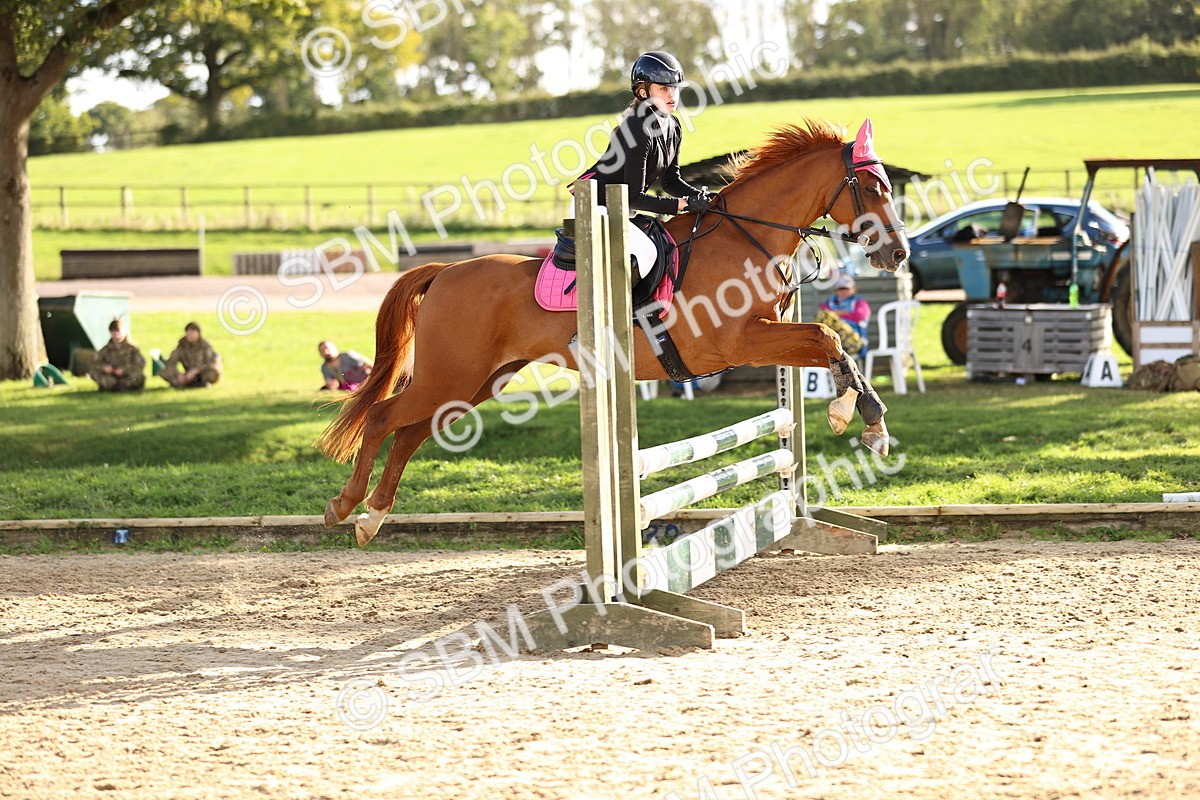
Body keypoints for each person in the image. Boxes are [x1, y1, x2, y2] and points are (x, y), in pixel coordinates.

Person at [574, 51, 712, 281]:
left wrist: (700, 197)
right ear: (643, 91)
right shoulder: (637, 127)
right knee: (647, 254)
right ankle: (632, 316)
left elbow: (670, 181)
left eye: (674, 88)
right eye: (663, 89)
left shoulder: (673, 125)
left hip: (620, 206)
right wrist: (682, 205)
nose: (672, 95)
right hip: (594, 205)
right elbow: (633, 197)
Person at [818, 275, 871, 358]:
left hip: (853, 342)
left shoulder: (859, 302)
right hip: (831, 342)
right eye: (840, 289)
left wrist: (834, 314)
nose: (843, 291)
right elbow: (822, 314)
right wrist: (843, 313)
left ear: (854, 289)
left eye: (846, 288)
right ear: (836, 290)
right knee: (824, 317)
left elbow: (858, 316)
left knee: (828, 317)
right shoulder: (830, 302)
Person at [88, 319, 146, 392]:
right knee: (94, 373)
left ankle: (124, 386)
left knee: (138, 375)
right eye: (113, 332)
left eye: (118, 331)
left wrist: (124, 370)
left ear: (124, 331)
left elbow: (141, 363)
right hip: (111, 376)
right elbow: (94, 363)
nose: (116, 334)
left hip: (127, 376)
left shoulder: (132, 348)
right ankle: (111, 386)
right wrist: (104, 367)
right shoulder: (106, 349)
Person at [160, 322, 222, 388]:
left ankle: (202, 382)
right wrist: (178, 374)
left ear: (198, 333)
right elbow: (171, 362)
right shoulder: (182, 345)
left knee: (213, 373)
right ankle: (181, 382)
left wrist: (196, 370)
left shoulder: (205, 346)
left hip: (202, 372)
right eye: (188, 332)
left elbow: (210, 362)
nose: (190, 335)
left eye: (192, 332)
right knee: (164, 371)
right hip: (187, 373)